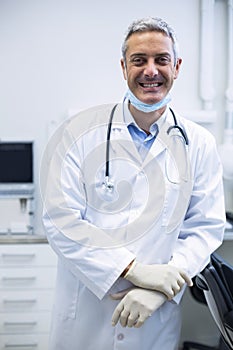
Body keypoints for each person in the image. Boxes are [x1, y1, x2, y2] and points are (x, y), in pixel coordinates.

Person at [42, 17, 225, 350]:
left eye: (161, 60)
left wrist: (158, 288)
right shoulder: (79, 134)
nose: (150, 70)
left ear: (177, 67)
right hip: (86, 320)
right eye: (139, 60)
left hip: (152, 324)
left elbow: (205, 228)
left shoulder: (198, 143)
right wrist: (132, 269)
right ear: (123, 67)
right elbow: (61, 220)